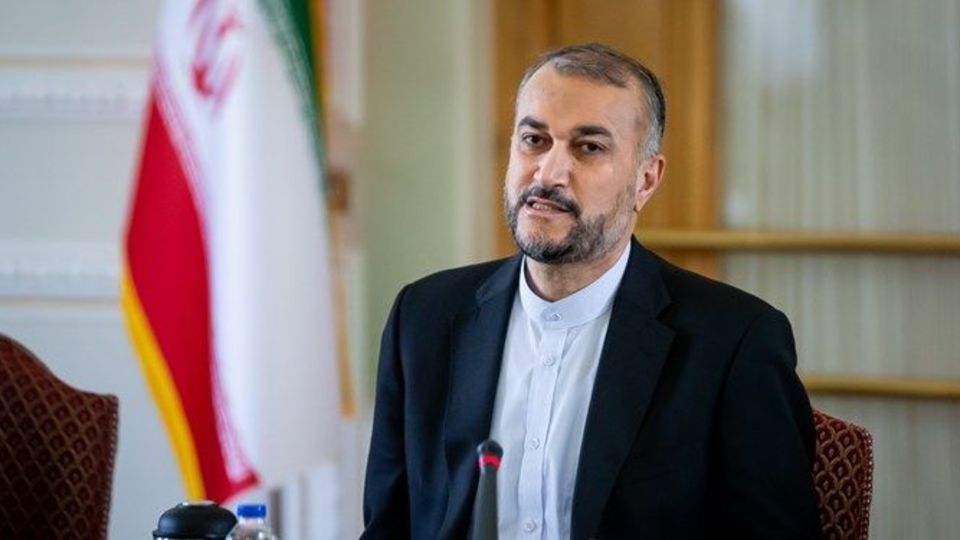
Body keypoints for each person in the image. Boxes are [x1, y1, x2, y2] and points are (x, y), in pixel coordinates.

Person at [361, 43, 822, 539]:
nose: (548, 173)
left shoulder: (735, 342)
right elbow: (388, 526)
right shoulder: (423, 319)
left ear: (646, 180)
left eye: (588, 147)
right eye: (534, 140)